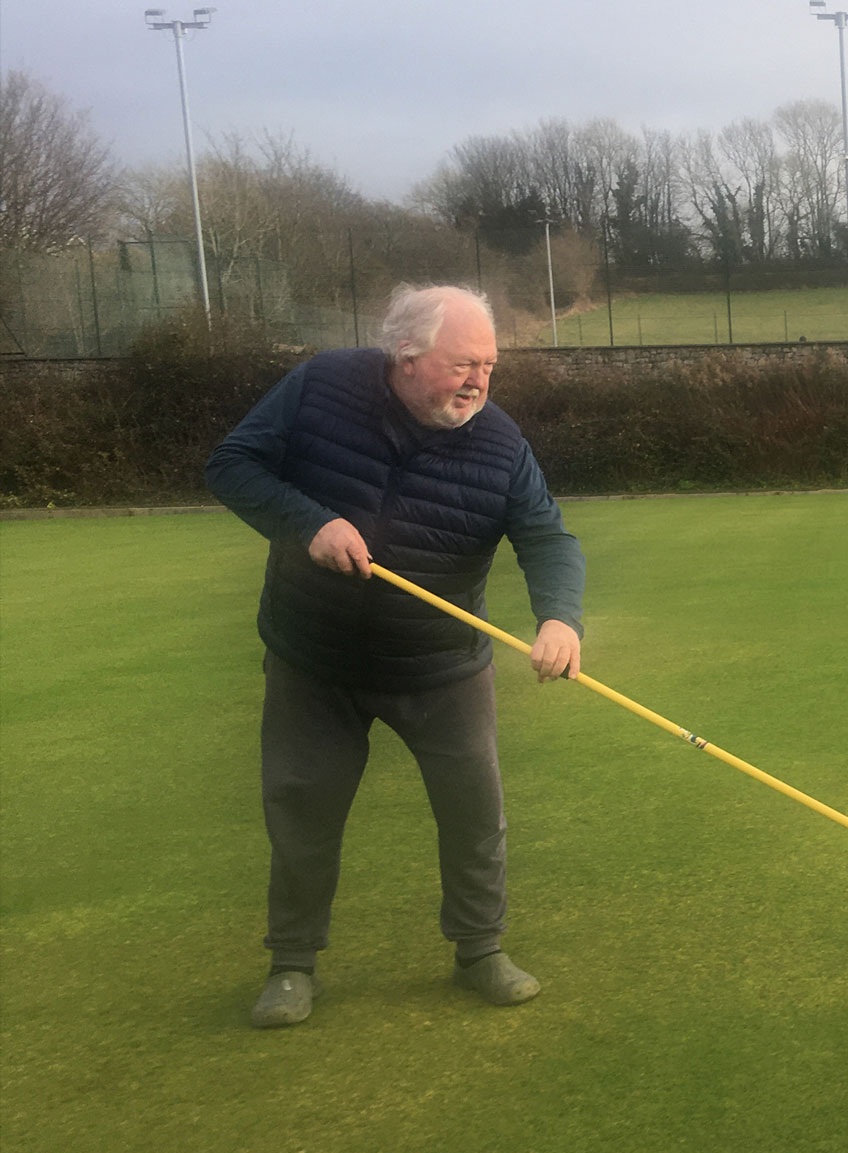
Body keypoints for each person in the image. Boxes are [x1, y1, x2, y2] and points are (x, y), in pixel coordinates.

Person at [207, 284, 584, 1028]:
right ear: (406, 358)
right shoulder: (320, 386)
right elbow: (233, 464)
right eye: (463, 364)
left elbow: (546, 536)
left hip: (442, 665)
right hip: (314, 658)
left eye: (489, 366)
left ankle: (480, 951)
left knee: (475, 814)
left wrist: (560, 618)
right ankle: (292, 963)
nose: (479, 381)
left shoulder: (501, 442)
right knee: (302, 809)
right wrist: (308, 523)